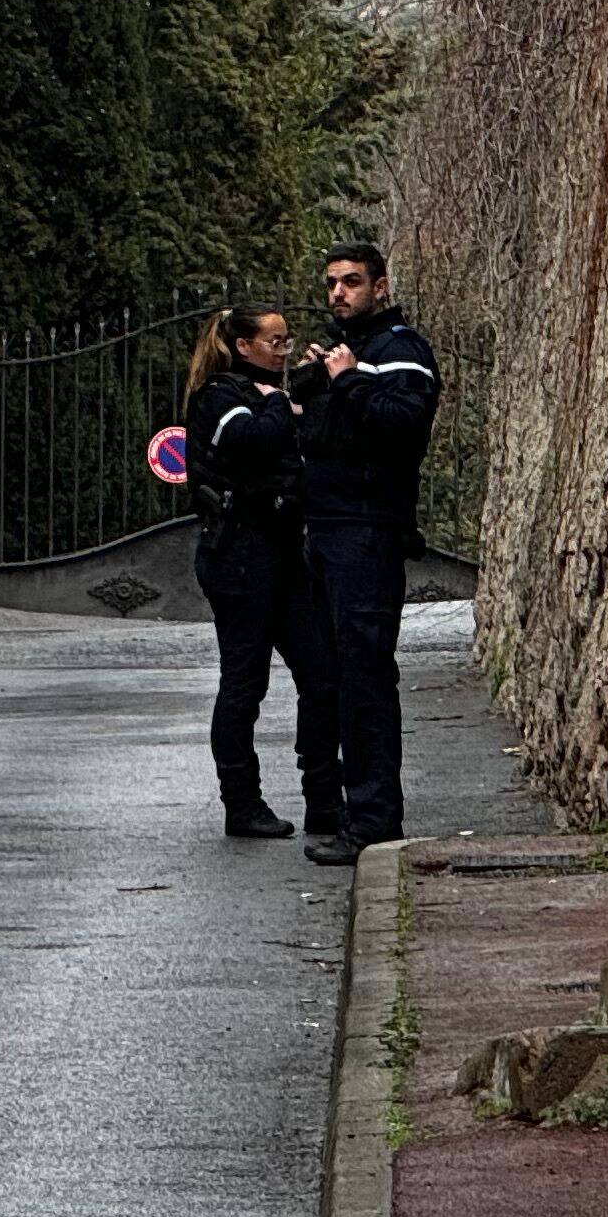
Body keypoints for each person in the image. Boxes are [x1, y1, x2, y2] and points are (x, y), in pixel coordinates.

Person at [297, 238, 444, 865]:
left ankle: (375, 823)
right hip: (323, 532)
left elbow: (401, 428)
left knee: (364, 679)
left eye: (351, 282)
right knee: (329, 680)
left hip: (366, 532)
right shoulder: (341, 355)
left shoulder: (401, 352)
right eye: (332, 282)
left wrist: (347, 379)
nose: (338, 294)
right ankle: (335, 808)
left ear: (380, 287)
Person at [182, 305, 340, 840]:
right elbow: (249, 442)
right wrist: (283, 405)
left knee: (320, 675)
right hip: (238, 557)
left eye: (287, 341)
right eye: (273, 341)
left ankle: (324, 799)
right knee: (244, 684)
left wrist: (306, 395)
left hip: (283, 555)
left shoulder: (273, 394)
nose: (283, 350)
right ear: (243, 345)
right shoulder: (219, 396)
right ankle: (241, 803)